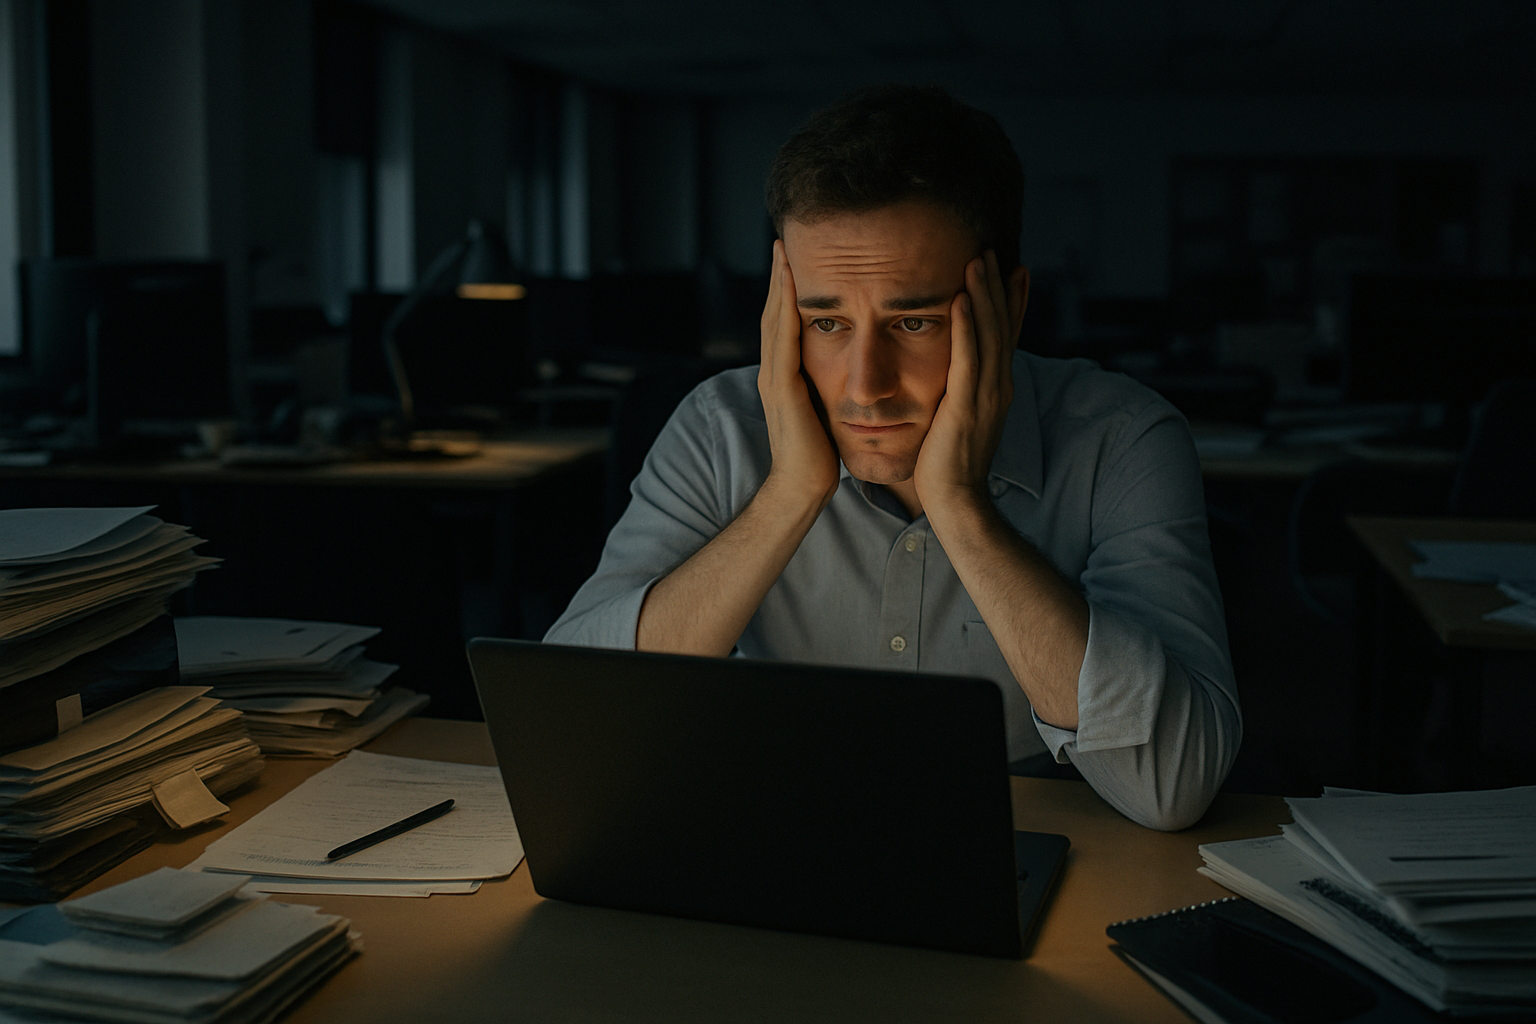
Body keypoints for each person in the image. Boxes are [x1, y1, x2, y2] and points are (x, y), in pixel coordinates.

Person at [547, 85, 1240, 831]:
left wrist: (963, 511)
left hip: (1031, 850)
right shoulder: (720, 428)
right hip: (771, 839)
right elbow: (563, 720)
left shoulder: (1122, 438)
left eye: (913, 321)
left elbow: (1174, 786)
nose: (864, 385)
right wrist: (787, 495)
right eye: (827, 321)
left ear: (1009, 304)